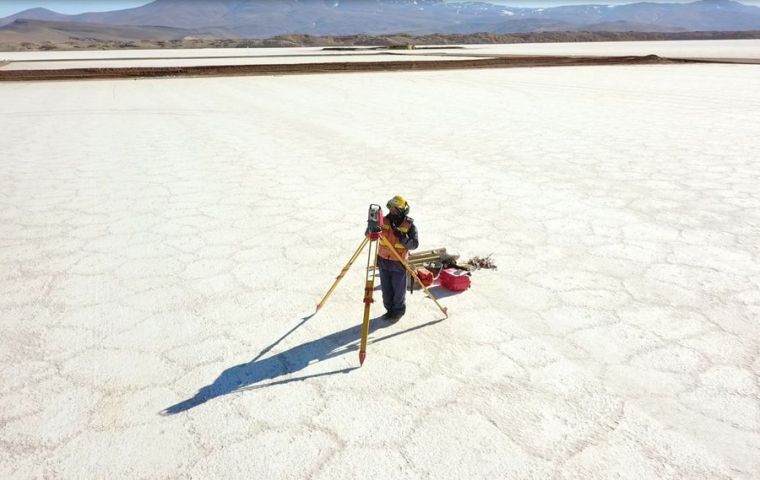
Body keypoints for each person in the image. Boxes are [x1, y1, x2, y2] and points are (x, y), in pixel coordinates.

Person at [378, 195, 419, 322]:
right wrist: (371, 229)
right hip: (384, 261)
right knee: (386, 291)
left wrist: (402, 237)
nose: (392, 211)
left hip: (398, 264)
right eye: (391, 208)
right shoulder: (382, 221)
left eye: (395, 209)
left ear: (402, 210)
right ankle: (389, 310)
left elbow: (414, 244)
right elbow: (370, 236)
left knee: (398, 292)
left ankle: (398, 312)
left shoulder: (409, 225)